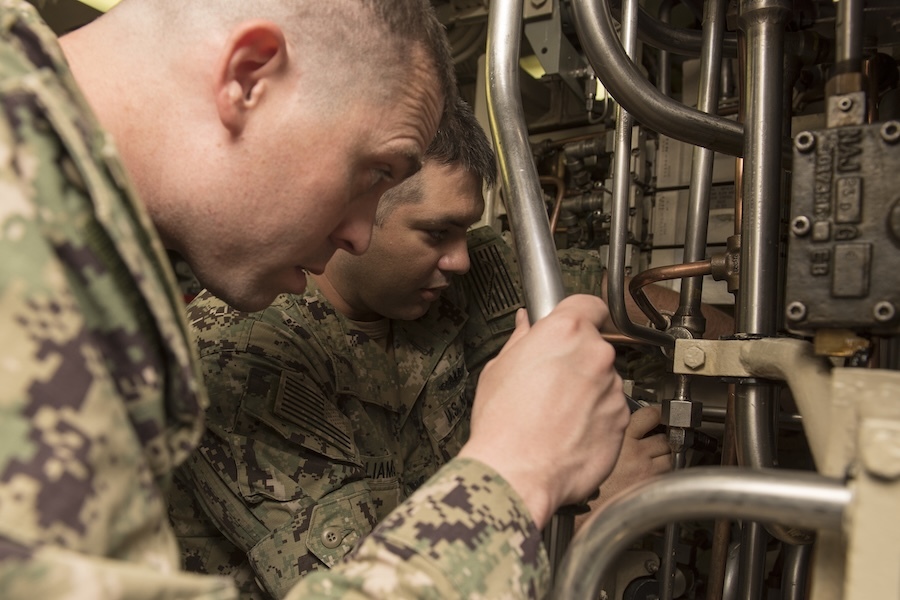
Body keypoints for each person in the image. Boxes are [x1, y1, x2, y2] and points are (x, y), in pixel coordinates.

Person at [0, 1, 630, 598]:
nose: (358, 234)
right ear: (249, 79)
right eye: (377, 172)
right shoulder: (24, 228)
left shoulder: (68, 218)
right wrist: (519, 475)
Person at [170, 98, 727, 599]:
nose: (460, 258)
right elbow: (371, 587)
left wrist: (748, 347)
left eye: (465, 230)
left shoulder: (471, 273)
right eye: (437, 233)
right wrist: (592, 512)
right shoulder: (243, 359)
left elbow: (625, 298)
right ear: (352, 214)